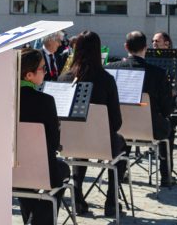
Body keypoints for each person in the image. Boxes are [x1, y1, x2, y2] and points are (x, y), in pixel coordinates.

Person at [59, 31, 127, 217]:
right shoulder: (106, 80)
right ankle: (111, 202)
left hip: (69, 144)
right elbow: (117, 123)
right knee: (121, 144)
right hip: (102, 144)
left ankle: (78, 194)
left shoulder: (64, 79)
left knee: (80, 147)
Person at [108, 31, 174, 187]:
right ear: (145, 48)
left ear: (125, 47)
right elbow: (167, 110)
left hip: (119, 128)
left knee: (123, 132)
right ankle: (165, 176)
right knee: (169, 128)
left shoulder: (111, 69)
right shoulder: (158, 73)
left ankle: (120, 173)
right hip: (150, 130)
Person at [17, 48, 70, 224]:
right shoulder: (45, 100)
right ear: (29, 75)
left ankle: (31, 219)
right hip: (42, 171)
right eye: (42, 68)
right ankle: (40, 220)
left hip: (8, 171)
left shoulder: (3, 99)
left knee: (24, 179)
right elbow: (53, 144)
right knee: (62, 169)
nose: (45, 72)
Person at [152, 31, 177, 148]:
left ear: (166, 43)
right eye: (153, 41)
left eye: (157, 41)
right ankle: (168, 129)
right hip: (156, 94)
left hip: (173, 94)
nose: (154, 43)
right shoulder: (149, 57)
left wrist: (176, 92)